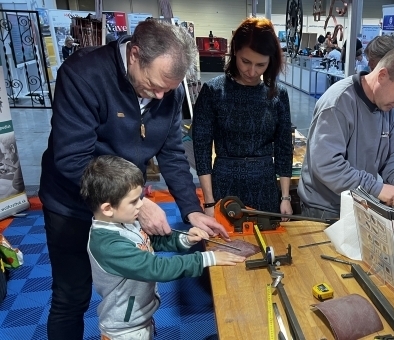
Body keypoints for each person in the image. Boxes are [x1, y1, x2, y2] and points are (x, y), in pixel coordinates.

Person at [39, 19, 229, 340]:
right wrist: (139, 206)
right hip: (71, 203)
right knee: (71, 296)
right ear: (135, 54)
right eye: (155, 85)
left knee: (127, 285)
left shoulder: (167, 90)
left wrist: (191, 209)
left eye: (168, 89)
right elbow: (72, 159)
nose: (159, 96)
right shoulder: (83, 74)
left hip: (125, 203)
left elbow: (170, 152)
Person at [81, 155, 245, 339]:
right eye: (134, 201)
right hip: (124, 329)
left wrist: (185, 239)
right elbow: (156, 268)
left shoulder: (124, 221)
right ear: (108, 208)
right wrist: (207, 258)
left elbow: (149, 242)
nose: (142, 205)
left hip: (140, 317)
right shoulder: (107, 244)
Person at [298, 45, 394, 218]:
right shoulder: (338, 103)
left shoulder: (385, 107)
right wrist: (376, 188)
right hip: (325, 210)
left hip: (359, 202)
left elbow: (391, 155)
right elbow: (327, 165)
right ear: (382, 75)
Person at [193, 17, 293, 216]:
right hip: (225, 184)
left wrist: (285, 197)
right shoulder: (213, 91)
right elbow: (201, 148)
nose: (252, 71)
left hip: (265, 186)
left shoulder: (277, 94)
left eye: (261, 65)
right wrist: (209, 202)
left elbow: (283, 148)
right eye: (246, 61)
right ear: (235, 51)